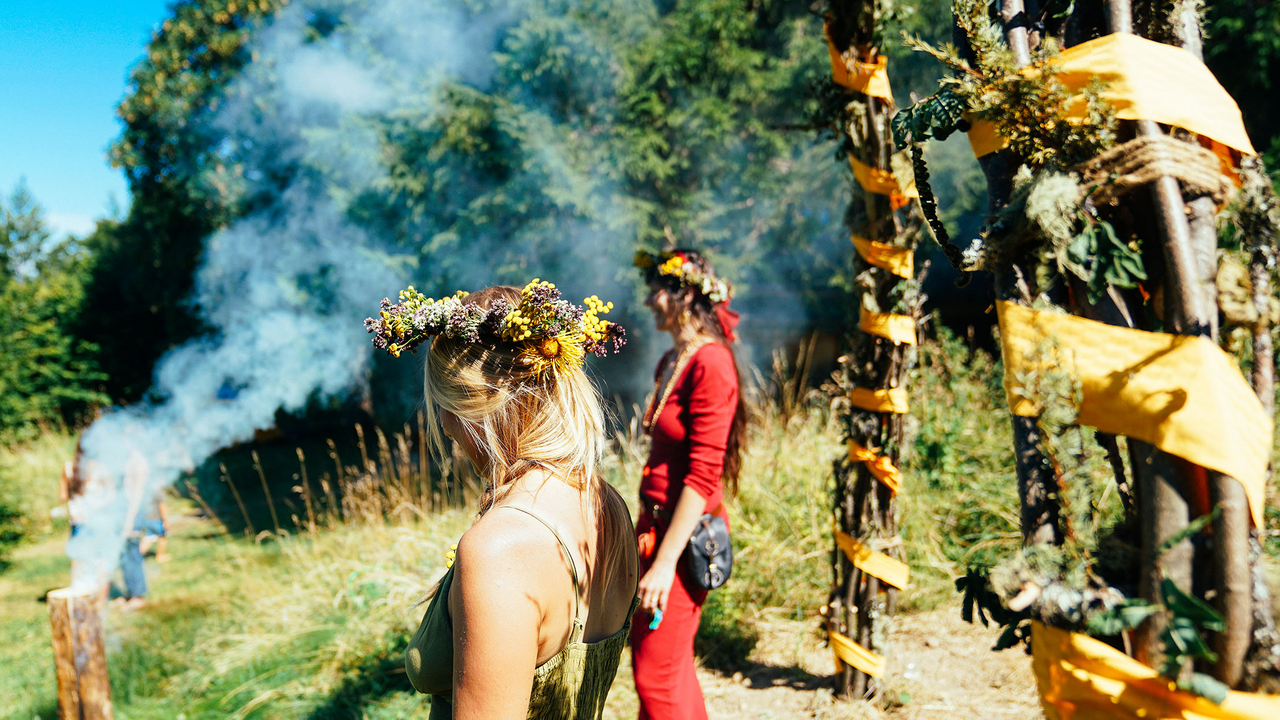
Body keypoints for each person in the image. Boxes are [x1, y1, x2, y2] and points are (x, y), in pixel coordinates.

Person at [367, 281, 637, 719]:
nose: (442, 422)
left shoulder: (501, 549)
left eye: (443, 403)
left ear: (468, 407)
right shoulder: (607, 506)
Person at [630, 250, 747, 720]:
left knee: (655, 676)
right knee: (668, 670)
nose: (648, 300)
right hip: (652, 530)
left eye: (657, 289)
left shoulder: (712, 364)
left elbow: (703, 476)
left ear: (687, 294)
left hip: (681, 544)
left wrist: (663, 565)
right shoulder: (672, 359)